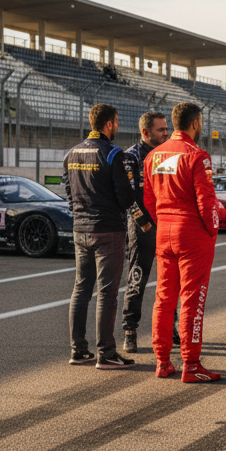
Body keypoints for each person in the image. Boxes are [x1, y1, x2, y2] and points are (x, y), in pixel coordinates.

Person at [143, 102, 223, 382]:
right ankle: (191, 364)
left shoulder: (153, 155)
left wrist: (163, 222)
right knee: (192, 299)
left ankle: (162, 362)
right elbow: (207, 201)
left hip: (163, 231)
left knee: (164, 299)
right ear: (196, 123)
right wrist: (213, 230)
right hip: (192, 234)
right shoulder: (197, 155)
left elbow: (149, 201)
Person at [63, 103, 135, 369]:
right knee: (107, 293)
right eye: (116, 123)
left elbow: (69, 195)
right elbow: (126, 197)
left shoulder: (71, 153)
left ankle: (78, 350)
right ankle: (106, 353)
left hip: (80, 228)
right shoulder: (113, 153)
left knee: (81, 289)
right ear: (110, 124)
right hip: (108, 230)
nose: (117, 127)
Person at [120, 110, 171, 353]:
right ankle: (130, 330)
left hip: (168, 225)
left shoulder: (169, 153)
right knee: (137, 278)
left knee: (170, 280)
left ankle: (170, 326)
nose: (166, 133)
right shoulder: (131, 157)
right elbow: (129, 197)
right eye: (161, 129)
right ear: (145, 132)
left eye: (166, 128)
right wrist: (144, 223)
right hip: (143, 227)